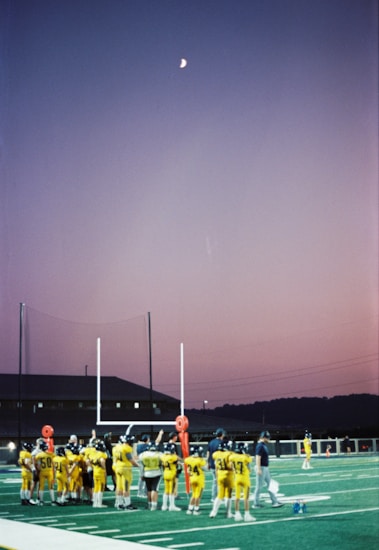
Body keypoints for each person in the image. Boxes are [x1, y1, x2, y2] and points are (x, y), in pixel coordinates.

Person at [253, 431, 284, 509]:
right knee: (259, 486)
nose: (269, 439)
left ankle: (274, 501)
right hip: (261, 467)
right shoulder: (260, 445)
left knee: (270, 484)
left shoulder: (263, 445)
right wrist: (259, 468)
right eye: (267, 437)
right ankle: (255, 503)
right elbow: (257, 457)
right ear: (263, 437)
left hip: (265, 467)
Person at [229, 442, 255, 522]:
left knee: (236, 497)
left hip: (236, 478)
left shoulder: (232, 456)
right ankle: (247, 515)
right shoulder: (246, 457)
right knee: (246, 498)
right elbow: (249, 468)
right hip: (245, 479)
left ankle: (237, 514)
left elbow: (230, 466)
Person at [112, 435, 139, 510]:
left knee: (119, 487)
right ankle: (127, 504)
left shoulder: (116, 447)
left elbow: (115, 459)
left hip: (117, 467)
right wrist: (138, 465)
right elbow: (130, 459)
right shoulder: (127, 448)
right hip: (125, 468)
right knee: (126, 487)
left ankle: (119, 503)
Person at [209, 440, 234, 518]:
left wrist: (217, 475)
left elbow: (216, 466)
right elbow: (231, 466)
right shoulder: (229, 454)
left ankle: (213, 512)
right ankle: (228, 513)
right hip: (228, 475)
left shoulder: (216, 454)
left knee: (220, 495)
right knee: (228, 495)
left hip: (220, 475)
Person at [139, 443, 163, 511]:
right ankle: (154, 505)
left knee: (149, 489)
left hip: (146, 473)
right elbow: (162, 464)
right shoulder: (159, 454)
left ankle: (149, 504)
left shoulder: (142, 455)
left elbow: (141, 466)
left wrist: (141, 475)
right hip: (156, 473)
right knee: (154, 489)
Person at [184, 446, 206, 515]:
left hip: (192, 478)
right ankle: (196, 509)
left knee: (193, 494)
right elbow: (205, 468)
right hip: (199, 478)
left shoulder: (188, 459)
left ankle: (190, 509)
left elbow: (188, 470)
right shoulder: (200, 460)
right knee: (198, 495)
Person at [207, 428, 226, 501]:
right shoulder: (221, 443)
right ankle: (219, 497)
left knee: (215, 481)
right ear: (221, 434)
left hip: (212, 464)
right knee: (220, 481)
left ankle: (214, 497)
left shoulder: (211, 442)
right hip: (219, 465)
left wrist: (208, 462)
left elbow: (208, 453)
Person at [34, 440, 56, 505]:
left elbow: (35, 462)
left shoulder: (39, 455)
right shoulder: (51, 454)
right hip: (50, 472)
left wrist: (37, 469)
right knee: (51, 487)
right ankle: (53, 501)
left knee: (41, 487)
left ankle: (41, 501)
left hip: (42, 472)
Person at [161, 443, 181, 511]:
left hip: (165, 473)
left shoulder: (163, 456)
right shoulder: (173, 457)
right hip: (171, 474)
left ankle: (164, 506)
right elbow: (177, 459)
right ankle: (171, 506)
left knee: (166, 490)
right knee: (171, 491)